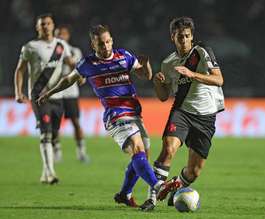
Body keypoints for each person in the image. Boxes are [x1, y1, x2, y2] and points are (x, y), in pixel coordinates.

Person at [37, 24, 164, 207]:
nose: (105, 47)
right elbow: (68, 80)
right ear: (93, 44)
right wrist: (49, 93)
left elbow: (145, 75)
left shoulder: (124, 56)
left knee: (142, 154)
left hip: (134, 112)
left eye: (107, 42)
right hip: (115, 115)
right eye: (101, 44)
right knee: (138, 149)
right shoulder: (88, 64)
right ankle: (158, 186)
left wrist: (147, 66)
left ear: (111, 40)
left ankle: (124, 194)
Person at [140, 17, 225, 211]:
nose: (184, 40)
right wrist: (158, 83)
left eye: (187, 36)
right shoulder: (168, 63)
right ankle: (151, 198)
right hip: (182, 112)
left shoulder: (202, 52)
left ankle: (175, 186)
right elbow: (163, 97)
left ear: (192, 37)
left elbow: (219, 79)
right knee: (168, 149)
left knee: (194, 172)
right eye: (180, 37)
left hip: (205, 116)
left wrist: (192, 74)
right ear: (173, 37)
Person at [14, 13, 75, 184]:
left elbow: (71, 63)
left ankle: (45, 172)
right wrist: (18, 92)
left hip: (58, 96)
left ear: (53, 25)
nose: (46, 27)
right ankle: (50, 173)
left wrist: (79, 73)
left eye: (48, 23)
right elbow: (20, 70)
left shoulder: (61, 46)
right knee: (45, 134)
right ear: (37, 27)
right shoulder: (30, 47)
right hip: (39, 96)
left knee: (54, 135)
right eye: (42, 24)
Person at [54, 25, 90, 163]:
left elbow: (78, 70)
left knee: (75, 122)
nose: (60, 37)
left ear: (68, 36)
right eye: (58, 34)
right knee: (54, 123)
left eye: (63, 34)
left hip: (70, 92)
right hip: (55, 93)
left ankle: (81, 152)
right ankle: (57, 151)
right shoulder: (51, 52)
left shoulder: (75, 51)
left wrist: (67, 58)